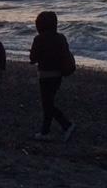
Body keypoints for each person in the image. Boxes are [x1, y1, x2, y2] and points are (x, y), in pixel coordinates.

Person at [29, 11, 75, 142]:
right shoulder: (61, 38)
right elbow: (65, 54)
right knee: (49, 102)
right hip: (58, 75)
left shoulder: (39, 39)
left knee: (47, 103)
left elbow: (33, 59)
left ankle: (62, 126)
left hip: (44, 75)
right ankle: (50, 129)